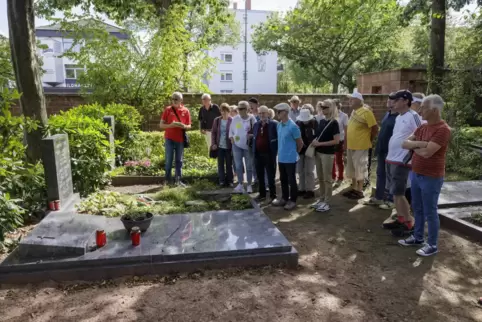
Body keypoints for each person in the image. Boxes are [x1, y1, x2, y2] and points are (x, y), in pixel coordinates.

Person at [399, 94, 451, 257]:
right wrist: (420, 144)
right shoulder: (423, 127)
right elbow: (404, 143)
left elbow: (428, 153)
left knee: (430, 211)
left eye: (423, 108)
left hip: (431, 177)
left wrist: (416, 147)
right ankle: (418, 237)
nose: (420, 110)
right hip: (416, 172)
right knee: (417, 208)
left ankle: (432, 244)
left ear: (434, 110)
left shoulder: (443, 130)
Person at [384, 90, 423, 235]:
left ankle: (409, 222)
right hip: (392, 158)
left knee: (399, 192)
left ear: (406, 101)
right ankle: (400, 219)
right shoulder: (399, 117)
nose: (393, 103)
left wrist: (413, 149)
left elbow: (422, 131)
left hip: (402, 159)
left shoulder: (413, 116)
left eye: (396, 100)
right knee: (394, 192)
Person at [363, 93, 397, 209]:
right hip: (382, 149)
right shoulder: (388, 114)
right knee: (380, 173)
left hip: (391, 152)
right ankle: (379, 197)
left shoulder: (399, 117)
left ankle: (390, 200)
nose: (389, 101)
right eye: (389, 99)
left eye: (392, 100)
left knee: (391, 176)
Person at [343, 92, 379, 200]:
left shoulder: (367, 112)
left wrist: (369, 140)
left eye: (352, 99)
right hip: (351, 145)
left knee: (360, 169)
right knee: (352, 169)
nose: (350, 101)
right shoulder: (354, 111)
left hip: (361, 146)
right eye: (350, 99)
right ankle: (354, 188)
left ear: (359, 101)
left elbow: (375, 129)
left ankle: (359, 190)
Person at [272, 103, 303, 210]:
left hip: (290, 158)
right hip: (281, 158)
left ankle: (293, 200)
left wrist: (294, 153)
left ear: (285, 112)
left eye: (279, 112)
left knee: (292, 180)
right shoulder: (279, 125)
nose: (277, 114)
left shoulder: (293, 126)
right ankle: (284, 198)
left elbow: (300, 143)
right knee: (283, 179)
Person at [311, 100, 340, 212]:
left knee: (327, 178)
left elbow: (336, 141)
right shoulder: (322, 121)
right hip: (318, 152)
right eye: (322, 107)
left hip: (327, 154)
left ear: (331, 108)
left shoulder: (334, 123)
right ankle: (321, 198)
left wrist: (320, 144)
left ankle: (327, 201)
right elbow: (318, 136)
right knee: (320, 177)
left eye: (325, 107)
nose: (323, 109)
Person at [160, 92, 192, 185]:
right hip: (169, 138)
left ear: (181, 100)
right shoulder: (168, 110)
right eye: (172, 98)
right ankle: (167, 180)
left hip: (180, 139)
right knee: (168, 159)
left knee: (179, 160)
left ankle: (178, 180)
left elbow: (189, 125)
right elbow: (161, 125)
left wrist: (184, 126)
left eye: (176, 99)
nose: (173, 101)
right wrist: (171, 125)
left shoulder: (186, 111)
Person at [229, 101, 257, 193]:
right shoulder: (235, 119)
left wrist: (252, 136)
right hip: (236, 145)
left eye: (241, 109)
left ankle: (249, 184)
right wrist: (232, 139)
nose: (239, 110)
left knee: (249, 166)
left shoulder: (252, 118)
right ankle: (240, 184)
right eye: (238, 109)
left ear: (247, 109)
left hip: (248, 146)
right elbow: (231, 131)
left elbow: (256, 131)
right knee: (238, 165)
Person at [252, 106, 278, 202]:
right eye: (260, 113)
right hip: (258, 154)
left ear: (268, 113)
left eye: (263, 113)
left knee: (271, 176)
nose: (262, 115)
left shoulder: (274, 124)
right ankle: (262, 194)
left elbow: (278, 138)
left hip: (269, 154)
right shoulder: (256, 125)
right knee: (260, 176)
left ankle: (273, 196)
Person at [295, 108, 318, 199]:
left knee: (309, 170)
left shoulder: (314, 123)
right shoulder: (297, 123)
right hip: (300, 150)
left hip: (310, 149)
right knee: (300, 170)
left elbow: (317, 136)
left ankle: (310, 190)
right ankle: (301, 188)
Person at [211, 103, 233, 187]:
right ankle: (222, 181)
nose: (223, 113)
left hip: (229, 147)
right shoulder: (217, 120)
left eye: (225, 111)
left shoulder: (232, 120)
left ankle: (230, 181)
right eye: (222, 111)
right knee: (220, 164)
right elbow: (213, 133)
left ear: (228, 111)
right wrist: (213, 143)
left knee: (229, 164)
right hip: (219, 146)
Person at [332, 99, 348, 183]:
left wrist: (346, 143)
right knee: (332, 159)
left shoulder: (344, 116)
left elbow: (346, 131)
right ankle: (333, 176)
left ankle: (340, 176)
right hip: (331, 141)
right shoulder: (331, 115)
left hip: (340, 140)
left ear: (337, 106)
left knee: (339, 159)